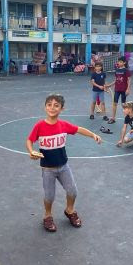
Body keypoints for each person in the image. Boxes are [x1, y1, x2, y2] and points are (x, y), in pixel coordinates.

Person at [26, 94, 102, 232]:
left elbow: (79, 129)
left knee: (72, 191)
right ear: (45, 107)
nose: (52, 108)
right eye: (49, 104)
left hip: (63, 166)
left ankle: (70, 210)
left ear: (62, 109)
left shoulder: (63, 125)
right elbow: (29, 140)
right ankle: (47, 216)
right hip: (47, 168)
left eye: (56, 105)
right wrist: (31, 151)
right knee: (49, 195)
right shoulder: (40, 126)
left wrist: (93, 135)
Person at [107, 57, 132, 124]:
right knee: (115, 103)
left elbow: (129, 80)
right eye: (118, 62)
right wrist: (109, 85)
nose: (119, 63)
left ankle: (128, 118)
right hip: (117, 89)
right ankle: (113, 118)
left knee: (123, 104)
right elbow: (116, 80)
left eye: (121, 62)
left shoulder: (126, 71)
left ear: (124, 63)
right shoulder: (117, 70)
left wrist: (128, 89)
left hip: (123, 90)